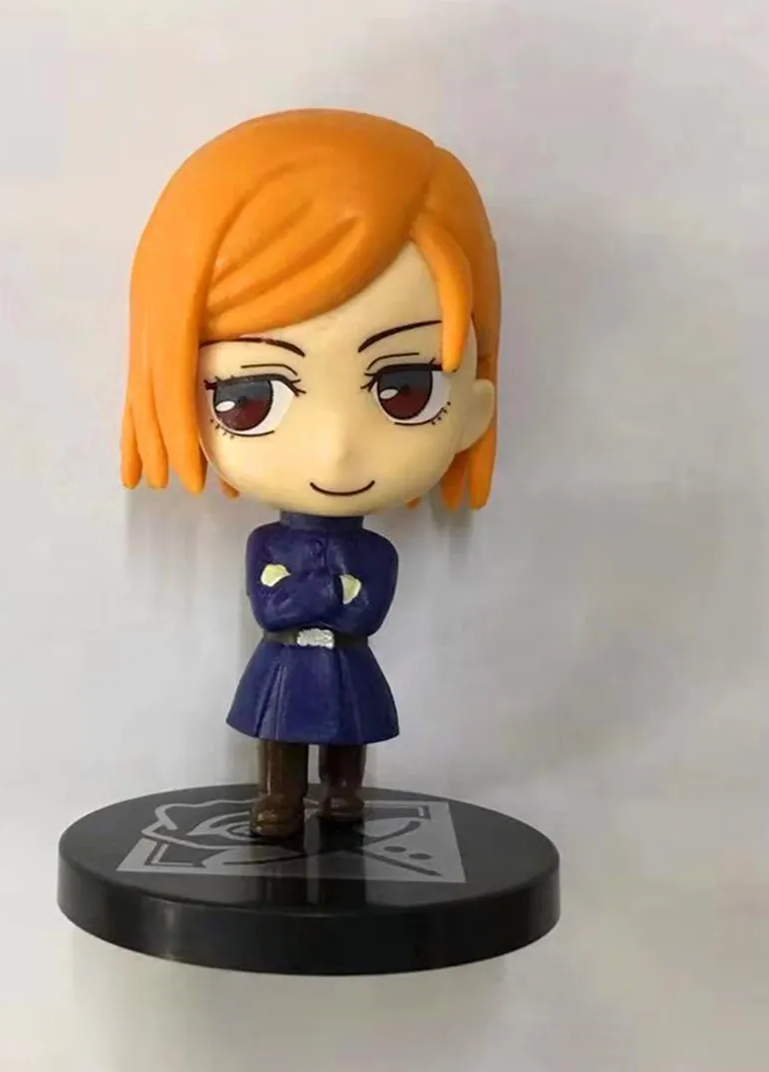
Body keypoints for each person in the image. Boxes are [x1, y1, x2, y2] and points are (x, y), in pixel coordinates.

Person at [121, 109, 501, 838]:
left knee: (349, 734)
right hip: (287, 664)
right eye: (249, 398)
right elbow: (273, 608)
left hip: (344, 664)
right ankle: (279, 800)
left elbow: (360, 610)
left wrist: (316, 600)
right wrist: (324, 598)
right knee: (279, 736)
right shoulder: (270, 544)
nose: (335, 450)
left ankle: (344, 796)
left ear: (474, 408)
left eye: (405, 390)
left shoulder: (372, 552)